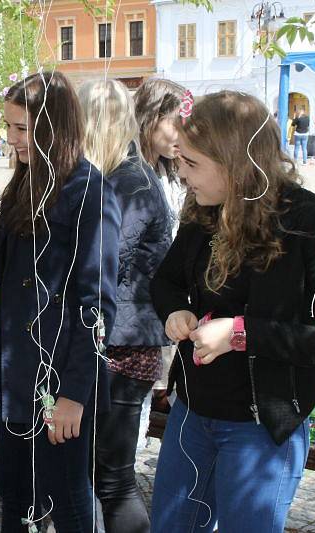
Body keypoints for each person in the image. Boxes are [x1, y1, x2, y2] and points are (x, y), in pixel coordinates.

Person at [149, 90, 315, 532]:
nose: (182, 176)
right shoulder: (204, 210)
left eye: (191, 164)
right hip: (192, 414)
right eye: (180, 162)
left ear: (235, 163)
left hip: (261, 429)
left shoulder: (313, 222)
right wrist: (174, 313)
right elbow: (165, 281)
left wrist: (241, 333)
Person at [0, 71, 121, 531]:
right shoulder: (29, 180)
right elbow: (9, 265)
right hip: (18, 376)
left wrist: (74, 394)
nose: (11, 140)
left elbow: (97, 304)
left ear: (53, 127)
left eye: (21, 129)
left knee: (68, 503)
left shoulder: (89, 191)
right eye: (9, 127)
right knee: (14, 493)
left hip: (60, 383)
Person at [78, 79, 172, 533]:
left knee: (112, 478)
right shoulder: (120, 175)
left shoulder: (129, 182)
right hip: (120, 340)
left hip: (124, 344)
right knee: (103, 474)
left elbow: (104, 266)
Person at [133, 77, 186, 415]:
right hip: (139, 305)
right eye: (175, 122)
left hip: (169, 300)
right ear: (152, 118)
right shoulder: (131, 173)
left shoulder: (174, 169)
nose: (181, 133)